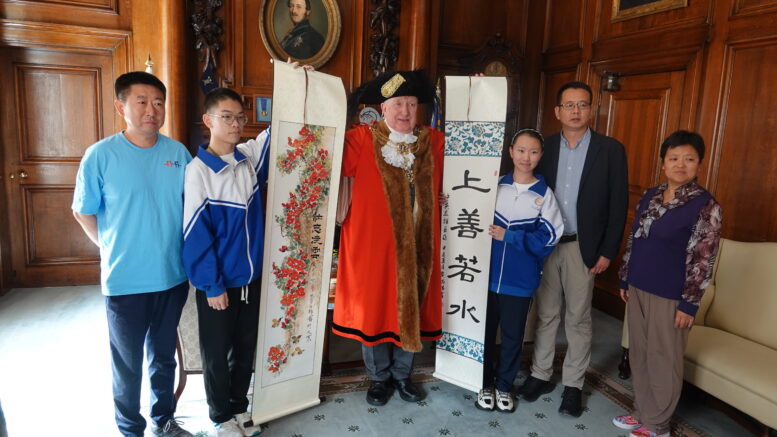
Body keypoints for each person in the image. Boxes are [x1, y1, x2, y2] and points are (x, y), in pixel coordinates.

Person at [72, 71, 193, 437]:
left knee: (163, 358)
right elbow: (82, 209)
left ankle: (163, 419)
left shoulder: (178, 153)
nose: (151, 110)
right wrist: (105, 246)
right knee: (126, 365)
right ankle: (129, 429)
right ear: (120, 106)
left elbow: (192, 209)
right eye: (141, 102)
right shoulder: (100, 155)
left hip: (172, 276)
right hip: (124, 282)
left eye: (158, 103)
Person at [517, 81, 629, 417]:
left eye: (582, 104)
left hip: (584, 246)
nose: (575, 111)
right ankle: (540, 375)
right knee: (546, 314)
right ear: (557, 112)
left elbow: (618, 203)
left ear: (591, 109)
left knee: (578, 319)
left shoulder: (610, 150)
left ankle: (573, 385)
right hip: (547, 244)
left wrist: (609, 251)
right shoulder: (544, 147)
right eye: (569, 105)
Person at [332, 70, 443, 406]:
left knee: (410, 308)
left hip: (418, 248)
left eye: (411, 103)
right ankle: (379, 378)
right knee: (374, 312)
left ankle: (403, 376)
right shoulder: (360, 140)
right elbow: (320, 140)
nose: (405, 111)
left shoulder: (433, 142)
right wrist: (305, 85)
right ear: (384, 107)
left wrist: (478, 92)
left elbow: (472, 151)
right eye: (398, 103)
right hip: (371, 250)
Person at [612, 131, 722, 437]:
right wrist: (625, 276)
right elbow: (635, 239)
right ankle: (643, 412)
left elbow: (704, 260)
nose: (680, 165)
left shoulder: (705, 205)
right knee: (641, 353)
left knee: (665, 359)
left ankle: (658, 425)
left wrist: (689, 303)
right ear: (663, 163)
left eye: (689, 159)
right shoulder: (651, 195)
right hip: (639, 286)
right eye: (674, 158)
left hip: (672, 295)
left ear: (699, 164)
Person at [182, 88, 268, 437]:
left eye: (240, 117)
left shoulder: (248, 158)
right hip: (219, 283)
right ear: (209, 121)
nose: (236, 124)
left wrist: (298, 80)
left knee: (245, 348)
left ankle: (238, 407)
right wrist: (213, 285)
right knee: (216, 352)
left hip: (251, 279)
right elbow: (195, 235)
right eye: (227, 117)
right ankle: (219, 417)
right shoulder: (198, 171)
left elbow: (278, 130)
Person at [476, 129, 564, 413]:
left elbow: (549, 239)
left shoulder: (544, 195)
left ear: (540, 156)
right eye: (522, 150)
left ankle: (504, 386)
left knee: (513, 337)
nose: (527, 157)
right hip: (484, 279)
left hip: (519, 282)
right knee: (485, 334)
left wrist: (510, 236)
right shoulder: (493, 186)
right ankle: (484, 384)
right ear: (511, 151)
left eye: (534, 151)